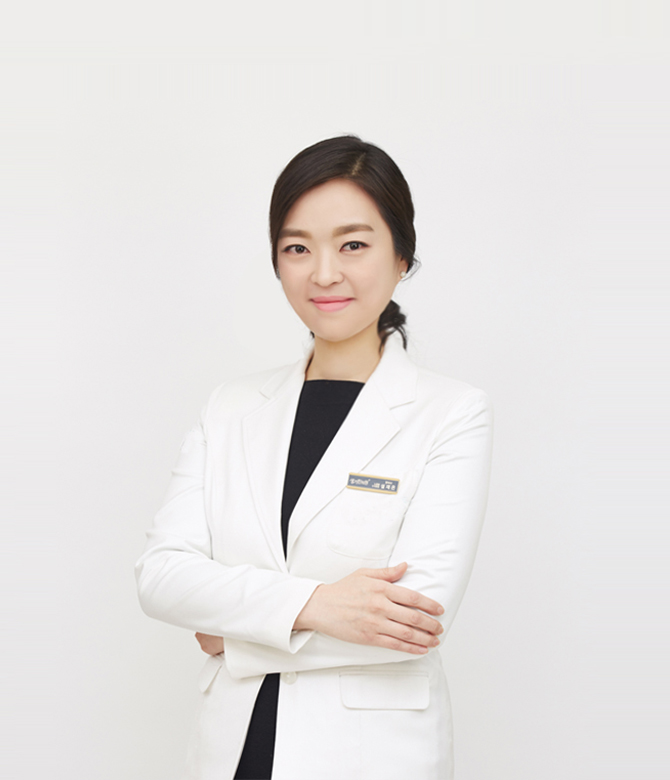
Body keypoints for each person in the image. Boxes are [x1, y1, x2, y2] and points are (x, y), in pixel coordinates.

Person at [135, 134, 494, 780]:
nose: (323, 273)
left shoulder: (450, 412)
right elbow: (161, 576)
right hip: (233, 751)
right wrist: (319, 605)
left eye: (353, 245)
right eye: (297, 248)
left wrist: (235, 636)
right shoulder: (230, 407)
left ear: (402, 256)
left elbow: (415, 618)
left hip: (369, 757)